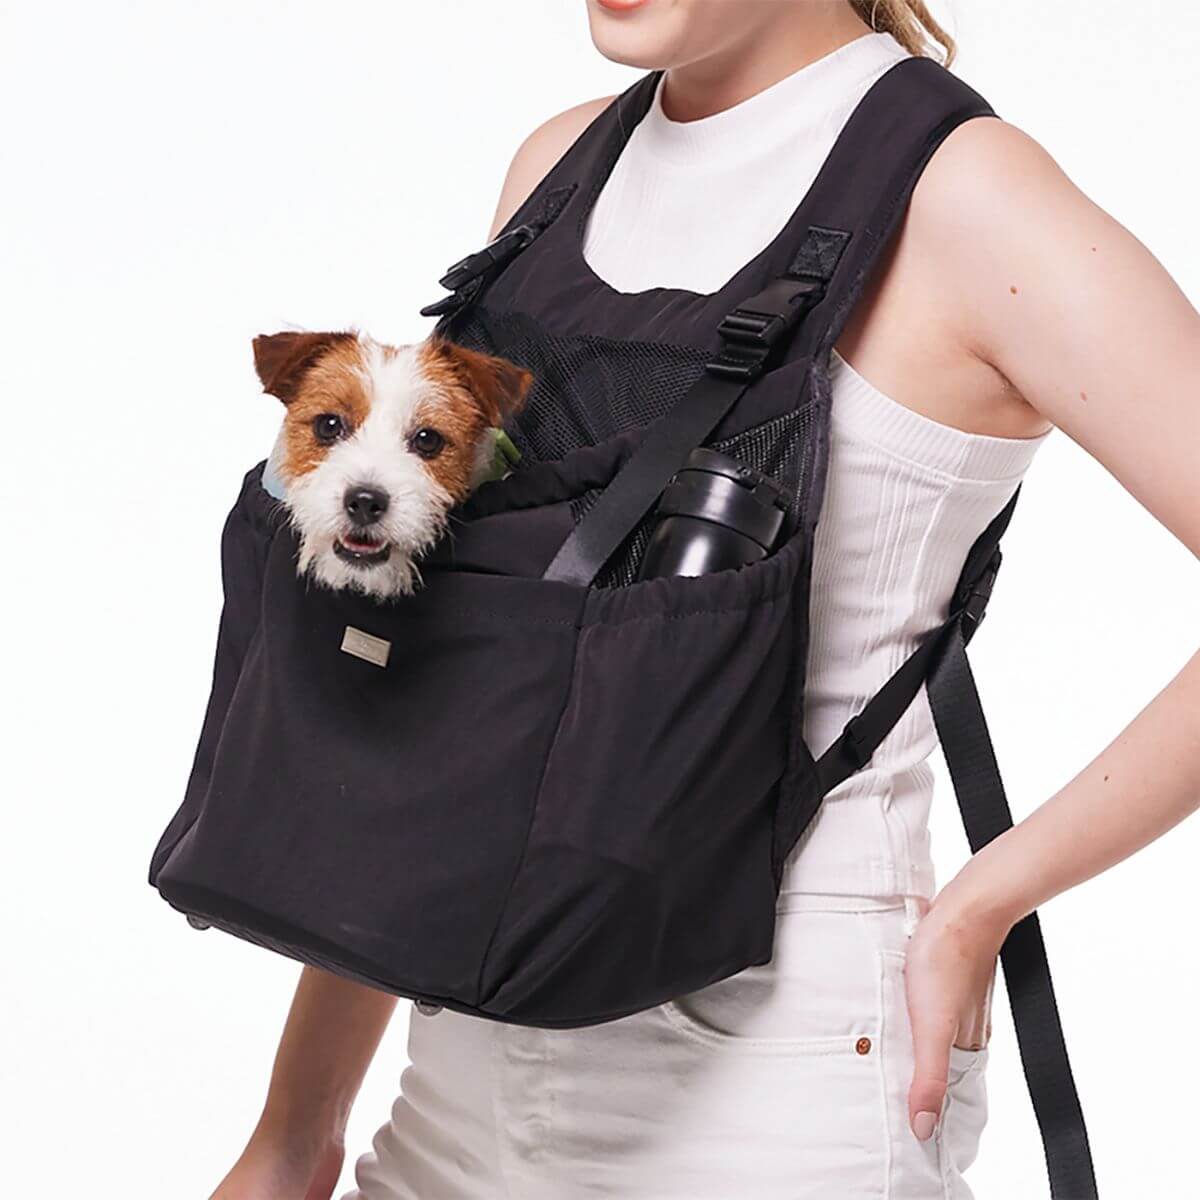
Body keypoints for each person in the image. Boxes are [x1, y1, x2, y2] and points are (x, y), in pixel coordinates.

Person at [213, 2, 1200, 1197]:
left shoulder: (967, 199)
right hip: (463, 1065)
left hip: (775, 1076)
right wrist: (297, 1128)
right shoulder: (558, 171)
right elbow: (453, 695)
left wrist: (981, 904)